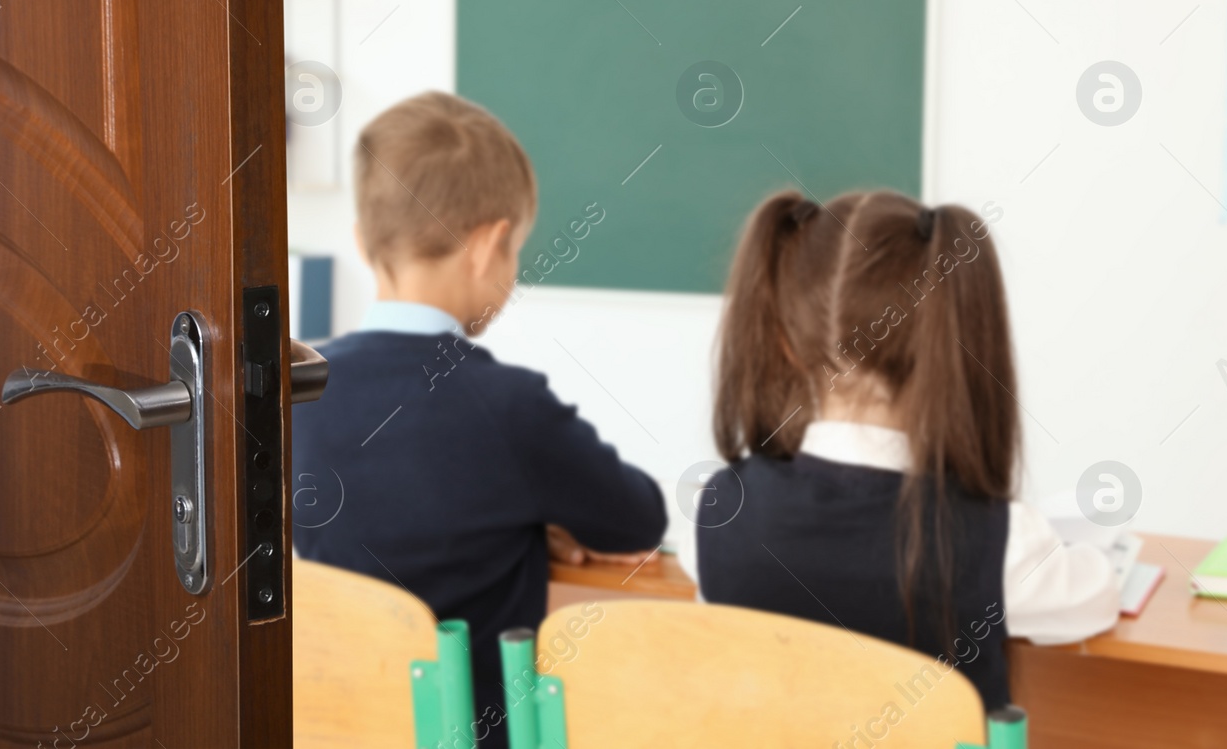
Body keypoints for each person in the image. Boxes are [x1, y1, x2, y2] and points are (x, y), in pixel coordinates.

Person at [293, 91, 666, 747]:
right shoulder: (508, 406)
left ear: (362, 241)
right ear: (489, 246)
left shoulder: (297, 390)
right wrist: (539, 511)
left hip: (338, 727)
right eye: (517, 250)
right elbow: (639, 517)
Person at [692, 189, 1119, 711]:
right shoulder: (1004, 543)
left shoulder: (717, 512)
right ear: (943, 340)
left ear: (787, 343)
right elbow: (1095, 601)